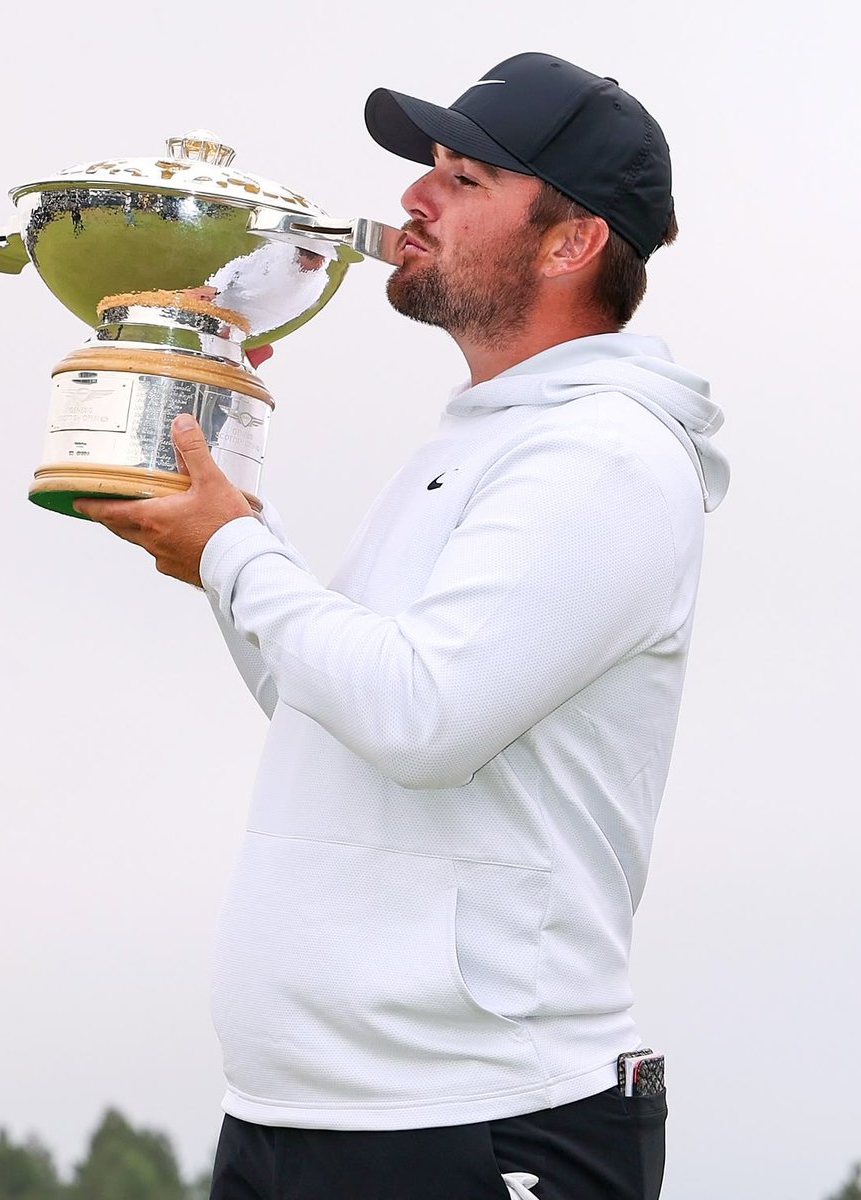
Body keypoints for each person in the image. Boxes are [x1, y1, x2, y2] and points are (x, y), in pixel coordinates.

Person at [75, 51, 729, 1200]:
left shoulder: (606, 457)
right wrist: (215, 480)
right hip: (302, 1119)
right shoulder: (479, 440)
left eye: (464, 179)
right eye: (427, 169)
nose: (413, 201)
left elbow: (422, 716)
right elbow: (328, 700)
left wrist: (234, 550)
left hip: (484, 1125)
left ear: (571, 241)